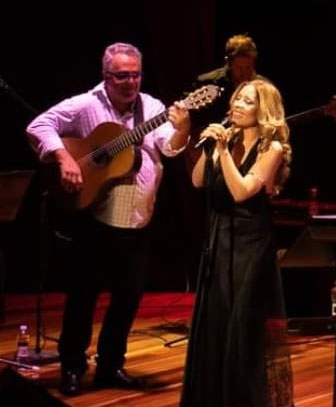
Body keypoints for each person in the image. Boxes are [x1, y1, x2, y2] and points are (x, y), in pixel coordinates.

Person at [26, 42, 191, 396]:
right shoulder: (86, 104)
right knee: (83, 295)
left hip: (137, 216)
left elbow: (169, 147)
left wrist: (182, 128)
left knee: (128, 297)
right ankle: (72, 366)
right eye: (122, 76)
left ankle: (111, 365)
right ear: (106, 76)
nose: (130, 82)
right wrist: (64, 158)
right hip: (94, 214)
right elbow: (40, 125)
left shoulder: (152, 108)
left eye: (135, 75)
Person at [180, 79, 294, 407]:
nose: (238, 106)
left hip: (250, 244)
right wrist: (211, 148)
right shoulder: (226, 139)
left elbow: (242, 191)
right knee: (215, 323)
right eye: (237, 99)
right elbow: (197, 181)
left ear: (263, 110)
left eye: (248, 101)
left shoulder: (271, 148)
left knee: (242, 325)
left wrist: (222, 152)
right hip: (218, 240)